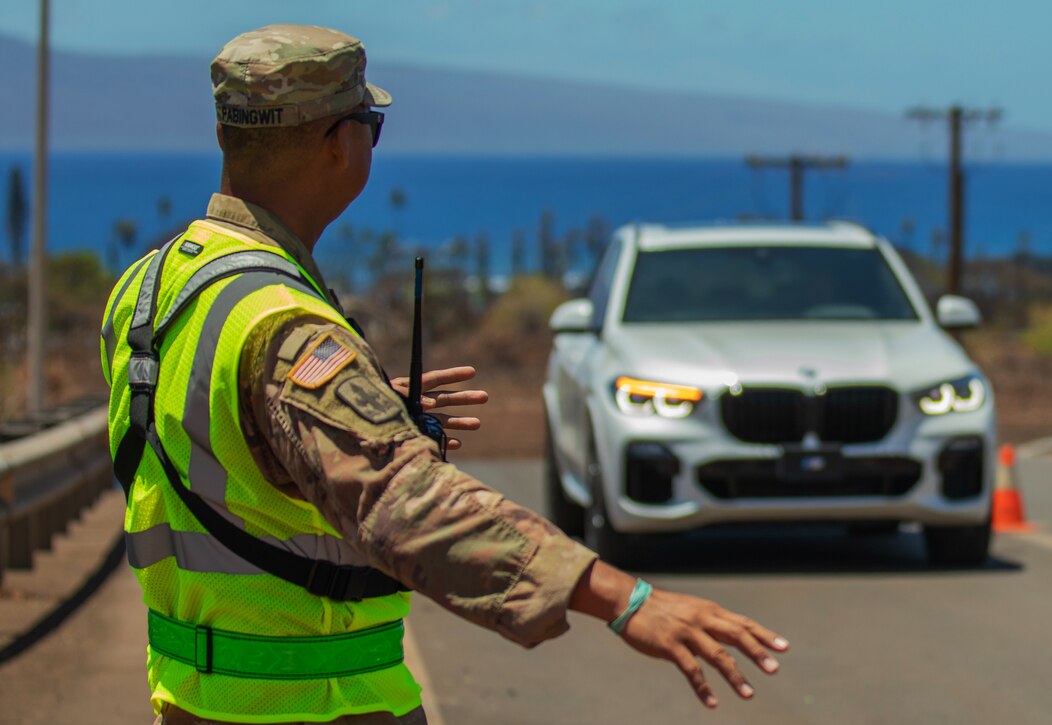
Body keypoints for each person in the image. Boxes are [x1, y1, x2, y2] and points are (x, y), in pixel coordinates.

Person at [100, 24, 789, 725]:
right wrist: (624, 599)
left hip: (195, 699)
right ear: (339, 142)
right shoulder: (283, 321)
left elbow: (202, 439)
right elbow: (409, 504)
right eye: (371, 123)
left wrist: (340, 414)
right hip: (317, 703)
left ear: (226, 135)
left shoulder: (153, 283)